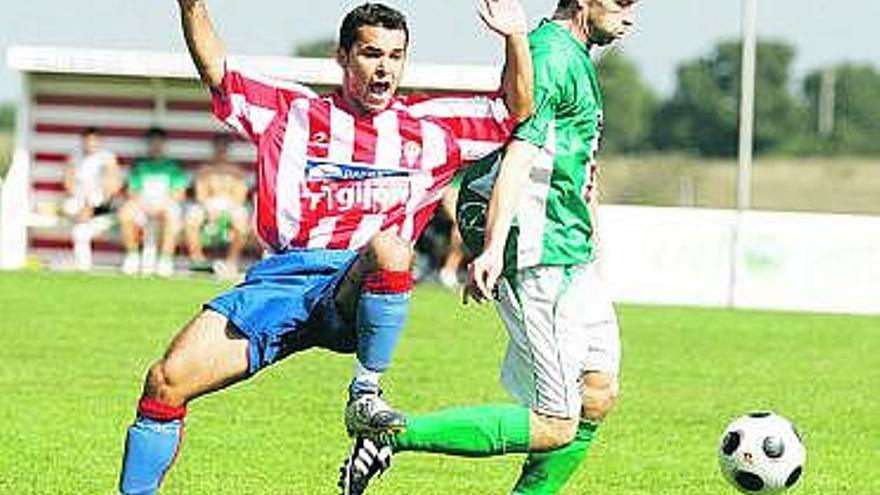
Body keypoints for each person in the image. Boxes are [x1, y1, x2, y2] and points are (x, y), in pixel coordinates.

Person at [117, 1, 533, 493]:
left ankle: (365, 394)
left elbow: (516, 110)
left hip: (354, 286)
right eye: (372, 54)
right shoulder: (291, 112)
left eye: (396, 56)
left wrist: (515, 37)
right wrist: (192, 7)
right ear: (343, 56)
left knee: (391, 249)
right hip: (281, 282)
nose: (385, 69)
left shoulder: (430, 127)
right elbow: (217, 72)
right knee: (166, 380)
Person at [338, 1, 637, 494]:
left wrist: (592, 243)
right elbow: (518, 154)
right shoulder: (550, 56)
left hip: (572, 252)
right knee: (556, 423)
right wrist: (493, 248)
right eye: (622, 1)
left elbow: (576, 163)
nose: (630, 16)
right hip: (541, 255)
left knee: (598, 393)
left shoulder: (574, 56)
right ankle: (389, 435)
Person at [118, 127, 189, 277]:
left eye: (158, 143)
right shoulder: (140, 166)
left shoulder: (173, 167)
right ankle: (132, 256)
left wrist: (160, 205)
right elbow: (132, 192)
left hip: (165, 204)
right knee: (125, 213)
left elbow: (179, 194)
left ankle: (165, 259)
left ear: (164, 144)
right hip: (142, 204)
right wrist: (144, 204)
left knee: (172, 214)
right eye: (152, 143)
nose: (155, 146)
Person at [184, 133, 250, 278]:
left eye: (224, 146)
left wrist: (226, 211)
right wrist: (209, 209)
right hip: (208, 204)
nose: (221, 149)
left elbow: (240, 196)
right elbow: (200, 195)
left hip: (232, 205)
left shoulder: (236, 171)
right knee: (191, 218)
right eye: (218, 146)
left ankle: (231, 261)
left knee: (241, 220)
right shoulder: (205, 170)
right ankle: (198, 261)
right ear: (214, 147)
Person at [61, 127, 123, 270]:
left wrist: (92, 205)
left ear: (99, 142)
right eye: (87, 141)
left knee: (81, 231)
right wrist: (81, 203)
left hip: (102, 208)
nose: (90, 144)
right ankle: (82, 266)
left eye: (94, 141)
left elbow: (114, 185)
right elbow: (68, 182)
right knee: (80, 229)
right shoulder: (75, 157)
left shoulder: (107, 158)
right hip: (78, 203)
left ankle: (82, 266)